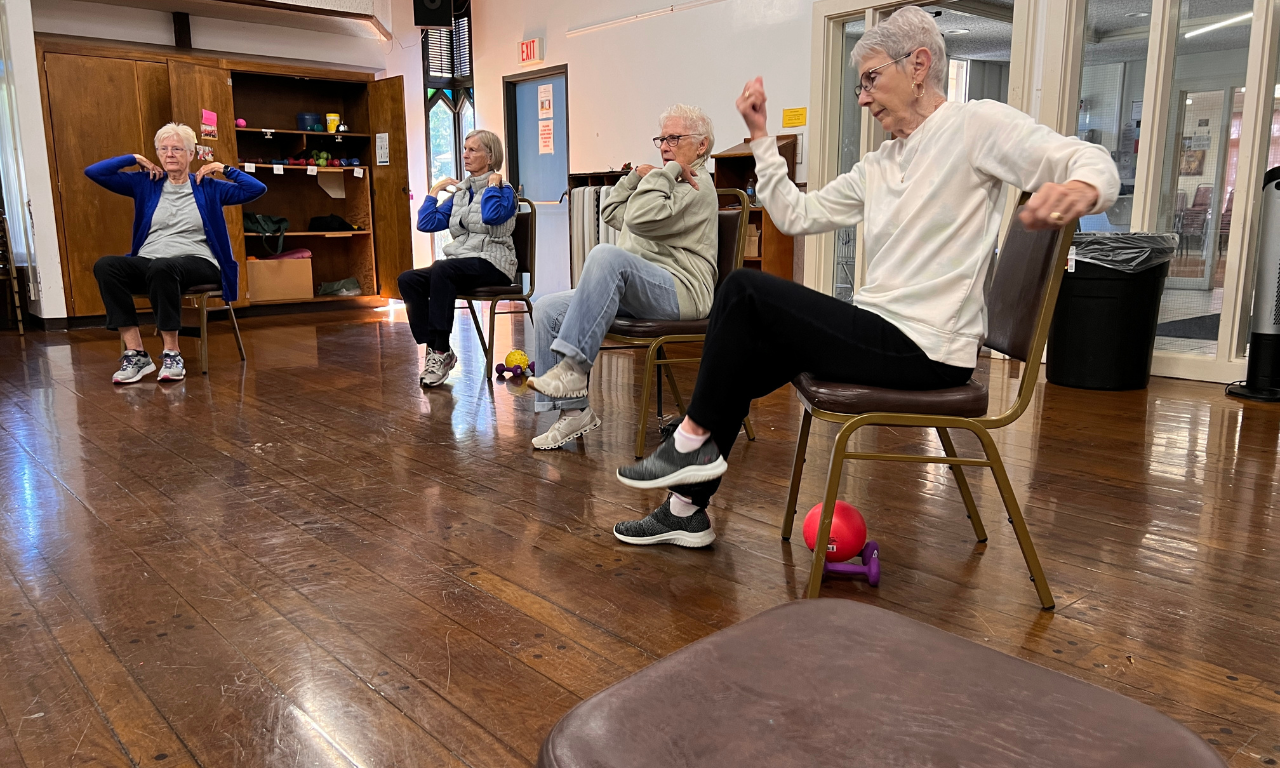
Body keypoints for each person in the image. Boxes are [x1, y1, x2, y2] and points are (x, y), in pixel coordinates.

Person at [610, 5, 1120, 548]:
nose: (862, 97)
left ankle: (689, 444)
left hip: (929, 350)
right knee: (743, 344)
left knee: (740, 291)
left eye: (871, 79)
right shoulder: (879, 165)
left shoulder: (975, 127)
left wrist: (1084, 187)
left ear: (919, 65)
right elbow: (795, 215)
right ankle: (686, 509)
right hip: (882, 332)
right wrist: (760, 135)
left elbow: (1085, 158)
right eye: (860, 84)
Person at [526, 104, 719, 450]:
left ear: (701, 145)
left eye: (674, 138)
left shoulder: (696, 184)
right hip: (641, 288)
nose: (664, 147)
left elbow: (641, 219)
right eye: (661, 138)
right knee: (548, 309)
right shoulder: (668, 180)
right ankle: (574, 412)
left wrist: (666, 172)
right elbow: (612, 212)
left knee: (605, 255)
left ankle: (573, 370)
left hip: (681, 291)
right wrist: (634, 178)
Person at [88, 123, 266, 384]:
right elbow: (94, 172)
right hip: (149, 260)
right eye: (164, 149)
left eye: (177, 149)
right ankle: (136, 353)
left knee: (164, 267)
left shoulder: (208, 186)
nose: (169, 154)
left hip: (199, 261)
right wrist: (134, 159)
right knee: (106, 266)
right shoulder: (146, 183)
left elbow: (256, 189)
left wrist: (223, 169)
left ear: (191, 154)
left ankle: (172, 353)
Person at [399, 129, 518, 386]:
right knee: (408, 279)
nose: (465, 155)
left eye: (472, 150)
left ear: (489, 157)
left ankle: (439, 351)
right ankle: (437, 350)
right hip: (462, 264)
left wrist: (493, 186)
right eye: (464, 149)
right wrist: (434, 191)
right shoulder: (460, 195)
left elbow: (491, 216)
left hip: (494, 262)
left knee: (443, 269)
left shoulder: (505, 191)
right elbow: (427, 222)